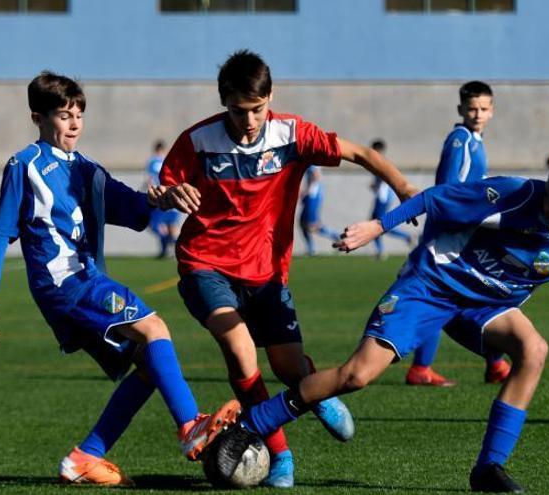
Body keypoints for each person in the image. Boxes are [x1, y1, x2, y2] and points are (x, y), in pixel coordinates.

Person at [237, 151, 549, 493]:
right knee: (356, 376)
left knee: (534, 349)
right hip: (432, 286)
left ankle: (488, 469)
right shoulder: (515, 193)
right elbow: (436, 198)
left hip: (486, 308)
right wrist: (378, 227)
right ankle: (253, 423)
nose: (548, 208)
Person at [156, 49, 419, 488]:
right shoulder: (198, 141)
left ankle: (313, 390)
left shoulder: (292, 134)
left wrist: (405, 187)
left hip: (266, 273)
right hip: (205, 263)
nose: (250, 120)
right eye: (239, 111)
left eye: (257, 109)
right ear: (223, 101)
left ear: (270, 97)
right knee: (239, 349)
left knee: (289, 368)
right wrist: (168, 195)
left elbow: (358, 152)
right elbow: (165, 188)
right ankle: (280, 456)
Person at [0, 71, 239, 486]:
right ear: (37, 118)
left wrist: (166, 197)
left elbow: (135, 212)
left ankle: (84, 458)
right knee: (154, 328)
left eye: (79, 114)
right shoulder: (24, 166)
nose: (75, 123)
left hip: (84, 282)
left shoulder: (89, 172)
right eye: (64, 115)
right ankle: (191, 427)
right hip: (67, 284)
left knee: (150, 365)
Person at [406, 81, 511, 388]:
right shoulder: (461, 139)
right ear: (460, 110)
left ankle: (493, 364)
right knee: (453, 298)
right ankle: (423, 368)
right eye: (472, 108)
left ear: (492, 111)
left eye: (483, 108)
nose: (477, 114)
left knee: (468, 297)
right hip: (449, 239)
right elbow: (448, 192)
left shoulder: (475, 141)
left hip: (464, 238)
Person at [369, 139, 414, 260]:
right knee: (378, 223)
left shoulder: (381, 161)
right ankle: (382, 250)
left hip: (383, 197)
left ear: (378, 150)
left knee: (378, 224)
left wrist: (378, 186)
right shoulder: (379, 161)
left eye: (373, 149)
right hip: (383, 196)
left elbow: (387, 178)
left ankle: (383, 250)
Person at [143, 139, 181, 258]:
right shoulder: (169, 160)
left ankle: (166, 248)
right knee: (171, 226)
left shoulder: (152, 161)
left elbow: (149, 179)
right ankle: (174, 250)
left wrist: (148, 191)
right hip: (171, 195)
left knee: (156, 224)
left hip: (159, 196)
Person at [299, 165, 340, 256]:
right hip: (311, 195)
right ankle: (311, 248)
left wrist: (307, 190)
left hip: (313, 196)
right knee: (302, 223)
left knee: (312, 226)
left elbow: (316, 175)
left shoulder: (313, 161)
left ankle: (337, 236)